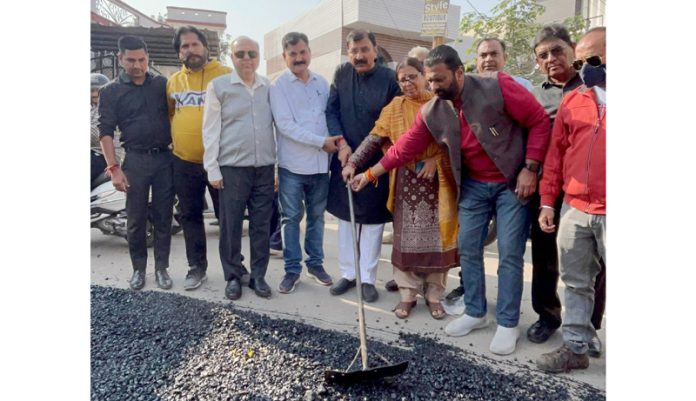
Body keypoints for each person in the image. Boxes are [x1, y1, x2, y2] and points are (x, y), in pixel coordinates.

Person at [352, 45, 550, 355]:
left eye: (439, 80)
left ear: (459, 72)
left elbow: (539, 121)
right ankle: (475, 312)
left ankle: (508, 323)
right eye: (430, 81)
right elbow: (403, 148)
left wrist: (531, 167)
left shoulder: (497, 86)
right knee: (468, 250)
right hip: (472, 186)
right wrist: (369, 175)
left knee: (510, 255)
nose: (433, 87)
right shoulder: (434, 108)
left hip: (512, 183)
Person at [345, 57, 458, 319]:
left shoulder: (442, 105)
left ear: (424, 75)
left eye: (412, 77)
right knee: (405, 239)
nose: (407, 83)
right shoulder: (395, 107)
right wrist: (353, 162)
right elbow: (374, 139)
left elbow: (457, 143)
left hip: (439, 182)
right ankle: (407, 294)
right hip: (405, 181)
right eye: (402, 79)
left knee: (439, 239)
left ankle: (433, 295)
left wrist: (436, 159)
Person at [526, 24, 606, 358]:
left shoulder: (594, 83)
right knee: (545, 257)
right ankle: (548, 316)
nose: (551, 59)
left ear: (572, 49)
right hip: (549, 187)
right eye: (542, 55)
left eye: (557, 50)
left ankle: (590, 328)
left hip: (596, 194)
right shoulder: (535, 92)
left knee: (595, 267)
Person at [325, 29, 401, 303]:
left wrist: (371, 155)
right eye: (354, 50)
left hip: (377, 161)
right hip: (344, 157)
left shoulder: (390, 79)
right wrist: (342, 144)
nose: (359, 55)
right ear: (348, 52)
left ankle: (367, 278)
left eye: (364, 49)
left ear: (375, 50)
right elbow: (331, 111)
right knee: (345, 220)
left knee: (371, 223)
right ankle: (348, 274)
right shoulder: (341, 74)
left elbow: (392, 121)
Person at [98, 35, 175, 291]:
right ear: (121, 59)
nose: (137, 65)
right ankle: (138, 270)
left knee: (164, 218)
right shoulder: (110, 91)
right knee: (136, 219)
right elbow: (105, 131)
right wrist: (114, 168)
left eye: (141, 59)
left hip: (165, 159)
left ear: (147, 58)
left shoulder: (162, 84)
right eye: (131, 60)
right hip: (135, 161)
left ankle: (162, 268)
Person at [202, 36, 275, 300]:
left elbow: (276, 127)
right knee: (231, 225)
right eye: (240, 54)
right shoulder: (219, 87)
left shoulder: (268, 86)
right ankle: (233, 275)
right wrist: (213, 168)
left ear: (258, 57)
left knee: (261, 225)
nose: (246, 59)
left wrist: (276, 167)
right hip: (232, 168)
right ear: (231, 57)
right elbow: (210, 130)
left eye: (252, 54)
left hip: (264, 168)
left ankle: (258, 275)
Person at [269, 32, 340, 293]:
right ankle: (292, 270)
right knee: (290, 219)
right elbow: (286, 126)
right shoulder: (278, 86)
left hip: (321, 166)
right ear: (284, 57)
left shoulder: (321, 82)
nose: (299, 58)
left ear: (309, 52)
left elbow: (329, 117)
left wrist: (331, 145)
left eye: (302, 52)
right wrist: (321, 141)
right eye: (293, 54)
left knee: (317, 218)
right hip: (292, 167)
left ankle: (316, 264)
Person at [167, 26, 232, 291]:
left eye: (195, 44)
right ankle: (197, 268)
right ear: (179, 52)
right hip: (184, 162)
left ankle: (234, 270)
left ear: (206, 48)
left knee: (227, 217)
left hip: (221, 162)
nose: (190, 50)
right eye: (184, 46)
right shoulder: (173, 82)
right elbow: (171, 114)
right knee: (190, 216)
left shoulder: (227, 76)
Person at [91, 73, 110, 183]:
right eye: (91, 91)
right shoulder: (92, 109)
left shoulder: (107, 108)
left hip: (103, 155)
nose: (94, 94)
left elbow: (94, 135)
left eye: (98, 91)